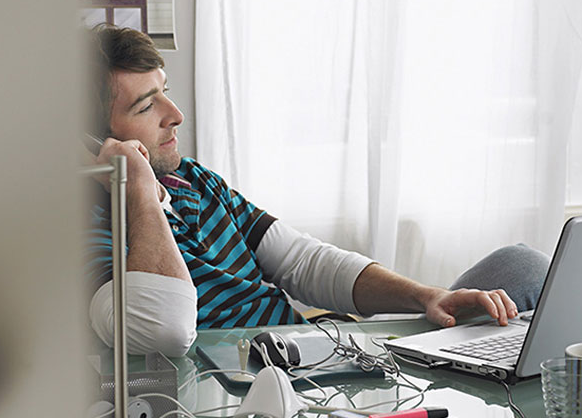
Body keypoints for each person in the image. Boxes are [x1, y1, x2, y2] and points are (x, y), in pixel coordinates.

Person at [85, 24, 549, 357]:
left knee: (522, 265)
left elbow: (304, 261)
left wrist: (426, 297)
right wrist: (138, 190)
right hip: (252, 389)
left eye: (165, 91)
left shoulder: (195, 181)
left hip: (314, 352)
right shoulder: (81, 225)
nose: (175, 115)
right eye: (146, 106)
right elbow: (164, 330)